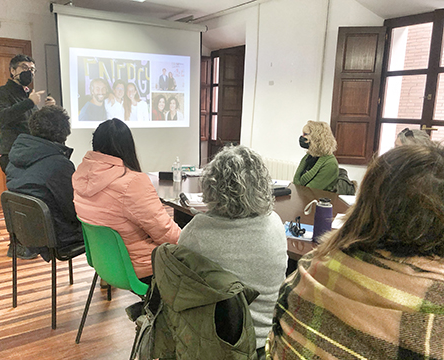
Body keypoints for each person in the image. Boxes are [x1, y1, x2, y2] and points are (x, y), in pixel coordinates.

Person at [269, 143, 444, 360]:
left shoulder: (307, 270)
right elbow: (300, 181)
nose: (304, 138)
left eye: (307, 135)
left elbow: (303, 182)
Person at [178, 145, 287, 356]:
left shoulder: (196, 232)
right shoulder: (275, 224)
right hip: (267, 343)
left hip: (215, 344)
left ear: (212, 185)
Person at [72, 119, 180, 282]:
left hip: (104, 264)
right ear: (128, 146)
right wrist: (191, 241)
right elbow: (166, 234)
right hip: (141, 268)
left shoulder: (80, 175)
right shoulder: (132, 182)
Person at [6, 106, 84, 262]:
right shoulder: (58, 164)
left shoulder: (15, 157)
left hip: (25, 233)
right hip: (57, 237)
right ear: (63, 133)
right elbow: (73, 210)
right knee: (110, 225)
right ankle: (110, 277)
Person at [0, 54, 55, 174]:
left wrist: (49, 110)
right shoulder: (1, 92)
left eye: (32, 69)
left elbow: (33, 124)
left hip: (31, 150)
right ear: (13, 70)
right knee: (20, 190)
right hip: (12, 152)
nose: (29, 72)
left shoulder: (29, 94)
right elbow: (2, 117)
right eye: (24, 67)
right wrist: (30, 102)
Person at [293, 120, 339, 191]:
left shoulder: (330, 163)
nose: (302, 137)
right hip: (303, 197)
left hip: (315, 199)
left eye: (305, 134)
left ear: (317, 138)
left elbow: (310, 190)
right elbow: (296, 181)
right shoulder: (310, 156)